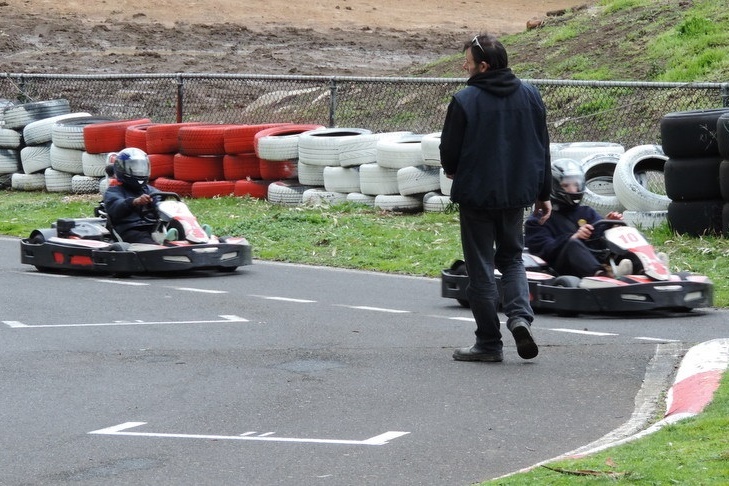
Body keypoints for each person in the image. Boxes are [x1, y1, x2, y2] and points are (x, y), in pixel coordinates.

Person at [440, 33, 552, 363]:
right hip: (516, 195)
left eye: (468, 62)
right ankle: (519, 318)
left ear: (484, 66)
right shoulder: (531, 95)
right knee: (513, 259)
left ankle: (488, 342)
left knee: (480, 267)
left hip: (477, 196)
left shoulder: (465, 99)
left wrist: (452, 169)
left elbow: (449, 152)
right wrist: (544, 193)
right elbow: (542, 147)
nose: (464, 66)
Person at [524, 158, 631, 278]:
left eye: (576, 184)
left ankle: (646, 268)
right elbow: (544, 250)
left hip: (592, 259)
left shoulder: (586, 212)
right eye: (566, 185)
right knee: (573, 244)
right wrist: (574, 237)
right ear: (553, 187)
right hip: (560, 268)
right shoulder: (538, 219)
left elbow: (597, 239)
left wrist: (611, 226)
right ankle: (602, 276)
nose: (573, 190)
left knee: (623, 235)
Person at [103, 147, 162, 244]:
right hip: (130, 229)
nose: (139, 171)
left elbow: (160, 201)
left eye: (141, 168)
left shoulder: (151, 190)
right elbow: (116, 207)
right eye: (134, 168)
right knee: (147, 242)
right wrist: (134, 202)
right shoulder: (113, 192)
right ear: (121, 168)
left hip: (153, 227)